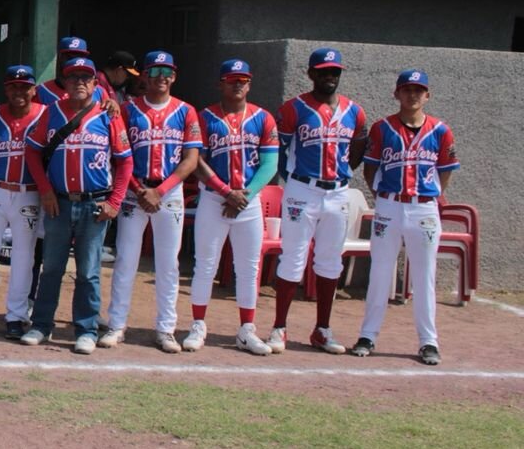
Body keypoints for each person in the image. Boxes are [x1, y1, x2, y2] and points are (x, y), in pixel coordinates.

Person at [21, 56, 132, 354]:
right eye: (73, 78)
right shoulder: (51, 112)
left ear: (96, 83)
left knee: (89, 271)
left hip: (95, 204)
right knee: (52, 267)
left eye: (86, 78)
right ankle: (42, 325)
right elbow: (32, 152)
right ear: (65, 83)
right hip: (59, 202)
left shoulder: (108, 114)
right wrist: (44, 190)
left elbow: (125, 162)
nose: (79, 82)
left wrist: (115, 202)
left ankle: (86, 329)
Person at [353, 70, 459, 366]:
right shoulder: (382, 128)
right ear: (396, 93)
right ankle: (368, 335)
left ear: (428, 95)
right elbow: (370, 168)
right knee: (380, 271)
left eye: (418, 90)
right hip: (389, 204)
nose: (413, 95)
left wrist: (432, 194)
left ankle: (428, 341)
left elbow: (446, 169)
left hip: (424, 207)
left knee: (425, 274)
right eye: (407, 89)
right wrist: (381, 195)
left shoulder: (440, 130)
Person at [99, 50, 202, 350]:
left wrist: (161, 190)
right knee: (126, 260)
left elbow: (191, 159)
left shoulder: (186, 110)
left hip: (168, 192)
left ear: (174, 75)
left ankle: (165, 328)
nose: (160, 78)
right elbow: (120, 155)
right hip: (135, 191)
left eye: (165, 72)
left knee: (168, 263)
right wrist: (138, 188)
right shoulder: (128, 110)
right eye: (154, 72)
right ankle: (116, 324)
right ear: (144, 76)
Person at [269, 48, 369, 354]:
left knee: (330, 259)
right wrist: (293, 179)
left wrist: (344, 172)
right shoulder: (293, 108)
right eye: (324, 71)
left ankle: (322, 330)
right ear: (311, 73)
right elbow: (280, 150)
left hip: (338, 191)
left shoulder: (354, 110)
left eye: (335, 71)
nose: (330, 76)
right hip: (302, 189)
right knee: (293, 257)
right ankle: (279, 328)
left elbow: (359, 147)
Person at [180, 59, 279, 354]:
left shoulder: (263, 118)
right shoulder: (205, 117)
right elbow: (196, 161)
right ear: (220, 83)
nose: (238, 84)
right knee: (205, 265)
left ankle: (247, 329)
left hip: (248, 202)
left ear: (249, 83)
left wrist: (244, 195)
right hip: (213, 199)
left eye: (243, 80)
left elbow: (270, 163)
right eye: (232, 79)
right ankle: (198, 324)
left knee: (249, 267)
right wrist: (226, 192)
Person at [0, 64, 45, 341]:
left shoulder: (45, 114)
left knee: (24, 258)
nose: (19, 91)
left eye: (25, 86)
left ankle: (16, 315)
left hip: (29, 192)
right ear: (6, 89)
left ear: (34, 89)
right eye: (14, 86)